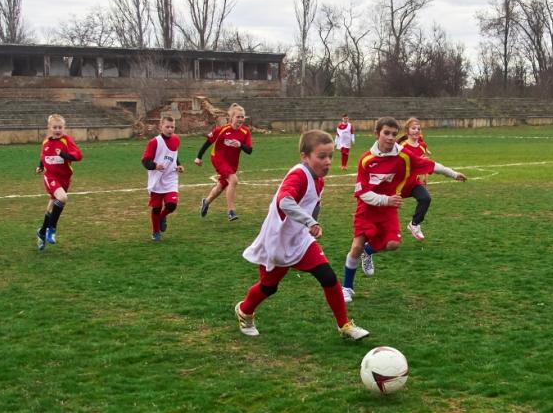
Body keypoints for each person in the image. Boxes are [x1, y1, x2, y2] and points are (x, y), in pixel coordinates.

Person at [235, 129, 370, 340]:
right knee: (269, 287)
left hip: (300, 239)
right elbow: (285, 201)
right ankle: (244, 310)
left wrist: (312, 224)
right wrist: (310, 221)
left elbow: (313, 204)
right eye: (321, 156)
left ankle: (344, 326)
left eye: (330, 156)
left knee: (328, 276)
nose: (327, 162)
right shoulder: (299, 175)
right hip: (279, 241)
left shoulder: (318, 179)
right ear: (305, 157)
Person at [341, 117, 467, 303]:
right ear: (377, 134)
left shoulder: (404, 155)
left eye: (393, 134)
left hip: (388, 209)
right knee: (356, 247)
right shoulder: (366, 159)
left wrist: (454, 174)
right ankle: (347, 287)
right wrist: (386, 199)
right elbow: (362, 193)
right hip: (367, 208)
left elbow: (432, 165)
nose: (390, 137)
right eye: (386, 133)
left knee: (393, 244)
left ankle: (369, 252)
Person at [195, 103, 252, 221]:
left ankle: (206, 201)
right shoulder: (222, 130)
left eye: (242, 117)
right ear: (231, 117)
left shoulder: (245, 132)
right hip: (218, 158)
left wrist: (240, 144)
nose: (241, 119)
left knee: (221, 186)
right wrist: (199, 157)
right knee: (234, 180)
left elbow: (249, 150)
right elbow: (208, 143)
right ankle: (231, 211)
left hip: (232, 163)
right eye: (238, 116)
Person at [35, 114, 83, 251]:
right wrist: (41, 166)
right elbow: (43, 156)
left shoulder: (66, 140)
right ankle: (52, 229)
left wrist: (63, 154)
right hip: (50, 176)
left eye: (60, 127)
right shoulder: (46, 141)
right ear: (49, 128)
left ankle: (42, 231)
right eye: (55, 127)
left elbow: (78, 156)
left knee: (52, 204)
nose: (57, 130)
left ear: (64, 128)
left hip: (64, 177)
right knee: (62, 198)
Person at [142, 116, 184, 241]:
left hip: (170, 177)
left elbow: (173, 155)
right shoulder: (154, 142)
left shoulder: (176, 139)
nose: (170, 129)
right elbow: (145, 161)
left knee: (172, 205)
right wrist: (155, 165)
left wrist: (179, 165)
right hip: (157, 179)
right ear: (161, 126)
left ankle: (162, 217)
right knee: (156, 207)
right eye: (167, 127)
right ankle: (155, 232)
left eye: (172, 127)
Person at [397, 117, 433, 240]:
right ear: (407, 130)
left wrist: (425, 177)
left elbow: (422, 164)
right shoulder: (401, 146)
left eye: (418, 128)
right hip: (398, 184)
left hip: (413, 183)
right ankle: (385, 232)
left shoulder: (422, 146)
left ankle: (414, 224)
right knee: (388, 208)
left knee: (426, 198)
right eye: (413, 128)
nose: (416, 130)